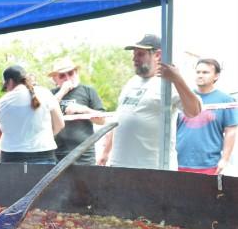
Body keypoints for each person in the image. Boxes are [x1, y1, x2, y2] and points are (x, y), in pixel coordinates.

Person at [99, 34, 201, 169]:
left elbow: (195, 111)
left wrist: (177, 79)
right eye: (134, 54)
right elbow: (119, 119)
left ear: (158, 55)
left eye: (140, 54)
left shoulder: (169, 83)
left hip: (152, 170)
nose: (134, 59)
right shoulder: (131, 82)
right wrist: (106, 152)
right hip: (120, 166)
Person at [0, 64, 65, 164]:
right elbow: (60, 124)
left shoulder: (3, 102)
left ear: (9, 82)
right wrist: (46, 136)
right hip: (44, 153)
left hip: (11, 156)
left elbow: (3, 130)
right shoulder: (45, 93)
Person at [176, 58, 236, 175]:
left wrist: (225, 159)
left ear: (216, 76)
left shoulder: (226, 100)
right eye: (198, 72)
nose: (200, 75)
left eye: (205, 72)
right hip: (179, 162)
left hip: (209, 165)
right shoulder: (183, 97)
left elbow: (231, 131)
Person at [49, 57, 106, 165]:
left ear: (76, 73)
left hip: (84, 155)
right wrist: (62, 92)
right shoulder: (51, 94)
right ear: (55, 79)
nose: (67, 78)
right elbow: (45, 115)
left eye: (70, 73)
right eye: (62, 76)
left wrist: (83, 110)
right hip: (57, 155)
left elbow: (102, 120)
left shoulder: (88, 91)